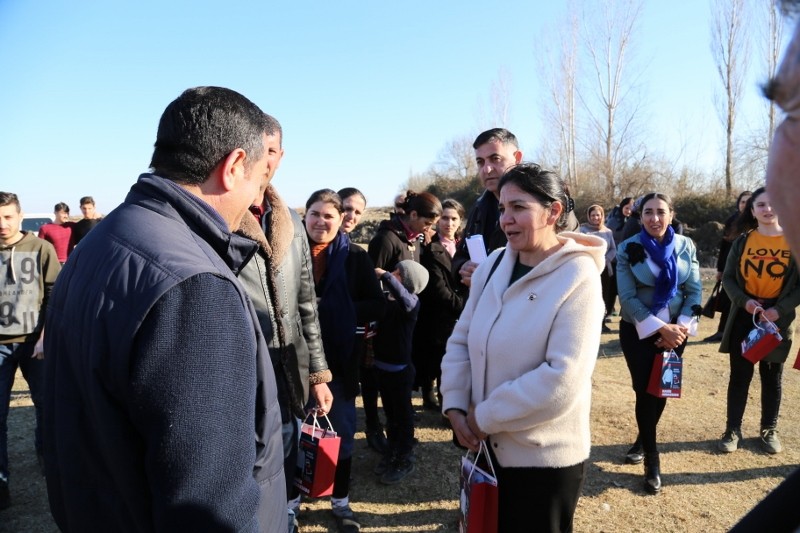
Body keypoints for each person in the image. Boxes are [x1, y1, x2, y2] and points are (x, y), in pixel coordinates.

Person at [42, 86, 287, 532]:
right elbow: (208, 505)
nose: (255, 200)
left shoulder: (105, 237)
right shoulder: (195, 287)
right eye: (258, 181)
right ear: (233, 167)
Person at [441, 163, 605, 532]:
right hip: (485, 451)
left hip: (542, 463)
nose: (506, 220)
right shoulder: (493, 265)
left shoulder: (578, 276)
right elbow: (462, 339)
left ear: (554, 211)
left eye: (519, 208)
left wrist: (482, 417)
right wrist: (453, 404)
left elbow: (562, 379)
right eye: (502, 208)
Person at [237, 118, 333, 533]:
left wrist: (318, 374)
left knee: (289, 447)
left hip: (289, 366)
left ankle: (286, 514)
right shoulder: (222, 218)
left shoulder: (290, 222)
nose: (266, 158)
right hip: (243, 363)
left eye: (273, 149)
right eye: (259, 148)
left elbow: (305, 305)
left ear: (281, 155)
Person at [304, 189, 385, 533]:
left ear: (341, 222)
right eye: (315, 214)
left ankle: (340, 502)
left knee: (343, 433)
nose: (321, 222)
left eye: (329, 216)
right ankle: (293, 504)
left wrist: (336, 307)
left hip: (340, 359)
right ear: (304, 216)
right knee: (297, 432)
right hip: (296, 360)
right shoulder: (289, 254)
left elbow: (377, 304)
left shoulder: (354, 257)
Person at [615, 192, 701, 495]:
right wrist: (660, 329)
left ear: (671, 214)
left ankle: (642, 439)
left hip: (678, 333)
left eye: (660, 212)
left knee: (661, 390)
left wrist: (681, 328)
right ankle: (652, 461)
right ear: (640, 217)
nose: (655, 218)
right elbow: (626, 298)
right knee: (644, 390)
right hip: (640, 332)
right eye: (648, 212)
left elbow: (694, 290)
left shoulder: (685, 245)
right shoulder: (627, 248)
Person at [716, 187, 800, 455]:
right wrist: (745, 301)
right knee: (739, 375)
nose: (767, 209)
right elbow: (728, 278)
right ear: (751, 211)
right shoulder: (742, 241)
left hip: (778, 320)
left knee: (772, 376)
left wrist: (780, 309)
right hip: (746, 317)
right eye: (760, 205)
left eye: (773, 203)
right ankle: (732, 430)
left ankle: (768, 430)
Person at [365, 191, 442, 453]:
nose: (428, 229)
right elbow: (372, 282)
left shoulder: (415, 240)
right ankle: (375, 426)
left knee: (398, 388)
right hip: (384, 325)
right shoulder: (386, 239)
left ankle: (401, 426)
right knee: (380, 384)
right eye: (427, 223)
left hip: (403, 323)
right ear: (412, 215)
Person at [0, 192, 60, 510]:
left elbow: (55, 295)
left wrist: (45, 337)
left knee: (46, 407)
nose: (2, 224)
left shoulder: (40, 249)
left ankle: (49, 461)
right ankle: (1, 483)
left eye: (8, 216)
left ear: (20, 216)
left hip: (35, 344)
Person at [372, 260, 429, 485]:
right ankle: (392, 451)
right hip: (382, 369)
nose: (392, 275)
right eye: (394, 271)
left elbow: (404, 298)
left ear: (408, 282)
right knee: (390, 415)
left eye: (398, 274)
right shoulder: (386, 300)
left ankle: (404, 457)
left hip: (401, 372)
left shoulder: (411, 304)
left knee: (403, 417)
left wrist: (385, 275)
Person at [452, 128, 522, 288]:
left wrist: (491, 278)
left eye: (495, 158)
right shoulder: (478, 208)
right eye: (480, 162)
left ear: (517, 158)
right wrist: (463, 268)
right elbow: (461, 255)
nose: (487, 169)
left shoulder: (544, 204)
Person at [414, 198, 466, 410]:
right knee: (437, 359)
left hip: (460, 312)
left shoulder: (466, 246)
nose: (449, 223)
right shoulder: (429, 247)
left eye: (454, 218)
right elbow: (437, 288)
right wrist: (463, 305)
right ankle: (433, 396)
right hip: (438, 313)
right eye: (444, 218)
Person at [703, 191, 752, 343]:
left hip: (748, 270)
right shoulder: (732, 220)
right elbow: (724, 246)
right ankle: (722, 331)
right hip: (729, 268)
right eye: (742, 201)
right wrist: (720, 269)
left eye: (748, 201)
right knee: (726, 300)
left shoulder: (756, 222)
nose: (744, 204)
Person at [579, 204, 617, 333]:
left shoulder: (607, 231)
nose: (596, 217)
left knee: (604, 296)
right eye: (593, 215)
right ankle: (587, 323)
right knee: (589, 296)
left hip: (605, 269)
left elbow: (613, 249)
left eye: (598, 215)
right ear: (589, 216)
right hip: (590, 268)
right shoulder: (583, 231)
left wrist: (606, 259)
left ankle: (601, 323)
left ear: (602, 216)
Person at [605, 197, 634, 315]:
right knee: (611, 290)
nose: (628, 211)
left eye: (631, 208)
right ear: (622, 207)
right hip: (614, 260)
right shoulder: (613, 221)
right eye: (627, 208)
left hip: (628, 260)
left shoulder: (633, 221)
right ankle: (607, 313)